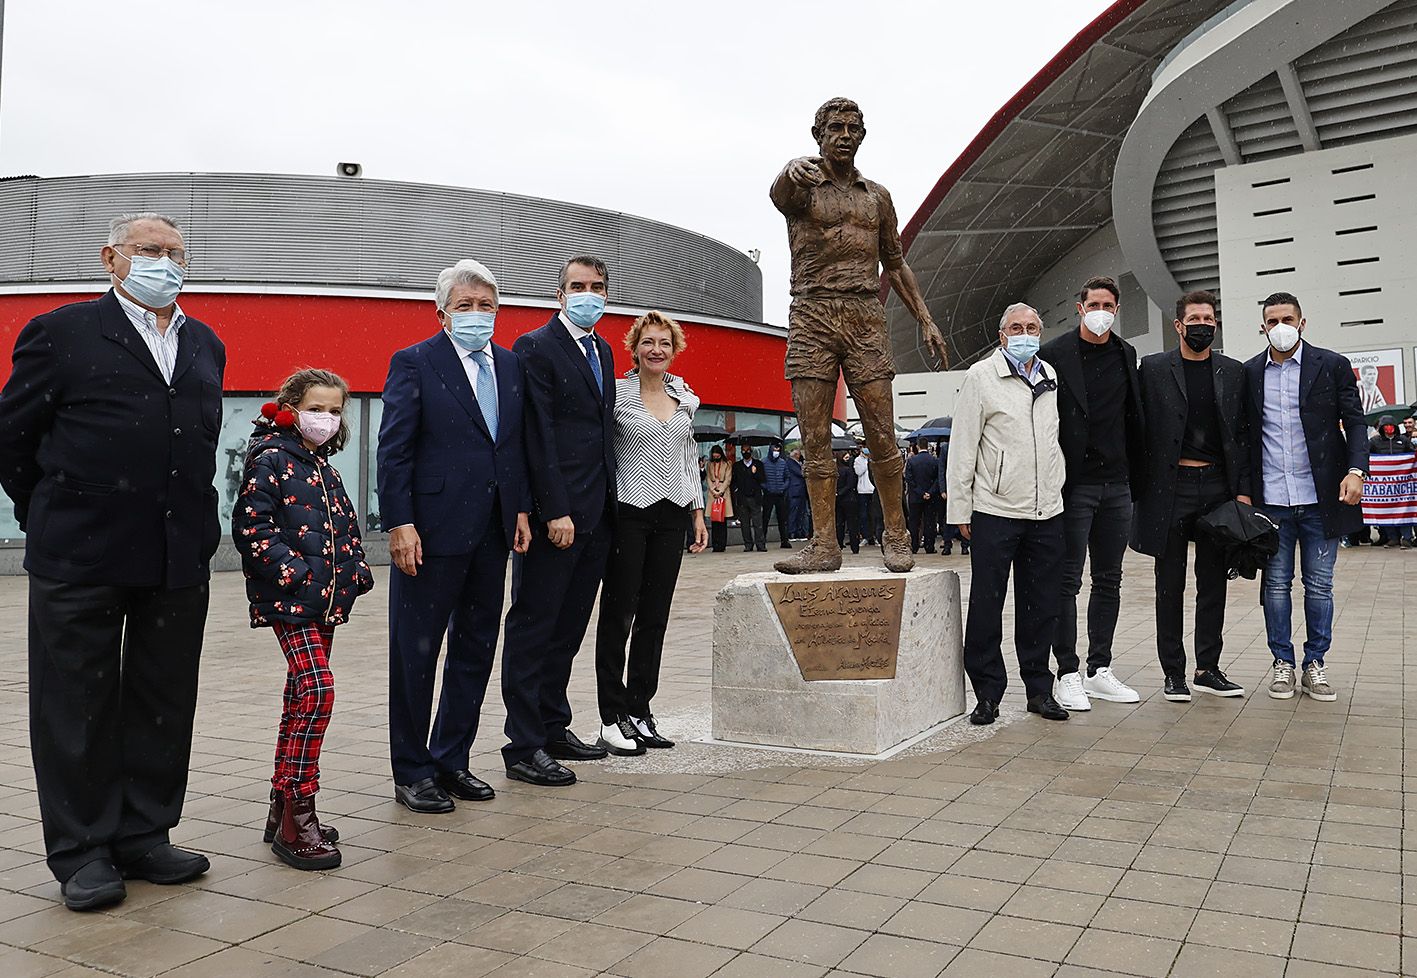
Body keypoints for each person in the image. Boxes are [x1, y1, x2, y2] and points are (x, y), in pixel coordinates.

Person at [0, 213, 223, 910]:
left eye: (176, 252)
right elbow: (14, 438)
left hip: (176, 555)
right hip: (81, 554)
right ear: (111, 258)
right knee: (77, 705)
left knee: (162, 698)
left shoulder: (205, 343)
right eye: (149, 250)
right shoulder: (62, 333)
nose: (165, 262)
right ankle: (83, 850)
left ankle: (143, 834)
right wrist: (53, 510)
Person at [769, 97, 948, 574]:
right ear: (819, 135)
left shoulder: (877, 197)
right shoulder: (803, 184)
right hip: (812, 312)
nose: (844, 135)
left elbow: (895, 260)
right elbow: (779, 194)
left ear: (862, 136)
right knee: (813, 439)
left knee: (883, 434)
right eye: (835, 128)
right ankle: (824, 544)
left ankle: (896, 533)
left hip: (866, 313)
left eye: (852, 127)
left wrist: (925, 318)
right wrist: (790, 169)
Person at [378, 259, 532, 810]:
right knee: (415, 656)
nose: (475, 315)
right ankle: (412, 770)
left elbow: (509, 446)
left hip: (492, 532)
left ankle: (451, 759)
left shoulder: (511, 366)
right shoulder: (416, 362)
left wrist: (518, 510)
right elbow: (394, 450)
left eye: (485, 306)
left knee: (475, 650)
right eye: (464, 306)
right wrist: (400, 523)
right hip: (430, 533)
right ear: (441, 312)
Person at [234, 370, 374, 870]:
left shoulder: (324, 468)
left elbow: (345, 528)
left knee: (300, 695)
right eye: (317, 407)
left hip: (325, 602)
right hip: (292, 600)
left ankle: (280, 807)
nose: (327, 419)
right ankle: (300, 810)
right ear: (291, 406)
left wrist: (356, 572)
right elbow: (253, 529)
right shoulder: (270, 459)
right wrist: (297, 577)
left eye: (336, 411)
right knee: (317, 691)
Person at [500, 256, 618, 786]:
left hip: (598, 513)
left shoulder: (604, 349)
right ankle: (523, 745)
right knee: (534, 627)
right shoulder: (536, 347)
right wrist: (554, 508)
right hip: (560, 515)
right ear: (559, 294)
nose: (587, 294)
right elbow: (537, 433)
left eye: (596, 287)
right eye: (577, 287)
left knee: (568, 629)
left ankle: (552, 725)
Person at [947, 303, 1068, 725]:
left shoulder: (1050, 376)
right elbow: (963, 446)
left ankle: (1039, 689)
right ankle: (987, 693)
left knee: (1041, 606)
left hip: (1046, 511)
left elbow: (1054, 442)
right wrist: (960, 507)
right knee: (987, 603)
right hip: (995, 509)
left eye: (1032, 327)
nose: (1024, 333)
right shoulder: (981, 377)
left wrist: (1056, 490)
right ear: (1002, 336)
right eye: (1016, 327)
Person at [1243, 292, 1367, 702]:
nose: (1280, 326)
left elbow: (1355, 421)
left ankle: (1315, 662)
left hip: (1321, 498)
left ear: (1302, 322)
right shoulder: (1250, 373)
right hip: (1272, 502)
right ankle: (1282, 662)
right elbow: (1243, 438)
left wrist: (1356, 471)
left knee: (1319, 586)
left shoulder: (1330, 365)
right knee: (1275, 585)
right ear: (1262, 327)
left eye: (1287, 318)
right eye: (1272, 320)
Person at [595, 311, 708, 756]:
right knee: (619, 614)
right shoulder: (616, 394)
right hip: (629, 512)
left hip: (673, 513)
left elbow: (688, 454)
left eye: (664, 342)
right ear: (635, 348)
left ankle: (641, 707)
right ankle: (611, 714)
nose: (656, 349)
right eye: (648, 342)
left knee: (655, 617)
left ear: (674, 350)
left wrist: (697, 512)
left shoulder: (684, 396)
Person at [1132, 291, 1252, 702]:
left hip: (1218, 489)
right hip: (1170, 489)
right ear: (1178, 326)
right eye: (1195, 318)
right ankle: (1173, 672)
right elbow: (1138, 429)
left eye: (1209, 318)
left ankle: (1208, 667)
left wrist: (1244, 493)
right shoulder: (1151, 369)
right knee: (1169, 584)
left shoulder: (1233, 372)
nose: (1203, 324)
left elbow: (1243, 435)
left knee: (1213, 583)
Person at [1039, 275, 1148, 712]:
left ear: (1116, 309)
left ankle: (1099, 668)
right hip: (1073, 484)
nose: (1101, 310)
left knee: (1109, 578)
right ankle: (1066, 671)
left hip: (1116, 485)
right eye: (1094, 303)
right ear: (1080, 307)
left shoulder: (1126, 353)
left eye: (1108, 304)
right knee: (1066, 580)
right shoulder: (1054, 355)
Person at [1368, 415, 1413, 548]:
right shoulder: (1374, 442)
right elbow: (1367, 455)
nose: (1389, 429)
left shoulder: (1403, 440)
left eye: (1391, 426)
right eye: (1386, 427)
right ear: (1382, 428)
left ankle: (1407, 537)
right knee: (1385, 510)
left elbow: (1412, 455)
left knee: (1405, 509)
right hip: (1384, 485)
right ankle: (1392, 537)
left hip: (1402, 484)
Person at [905, 440, 939, 554]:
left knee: (914, 522)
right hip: (931, 497)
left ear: (917, 446)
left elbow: (909, 479)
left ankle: (914, 546)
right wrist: (930, 492)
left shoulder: (911, 461)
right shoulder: (934, 460)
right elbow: (938, 479)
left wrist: (920, 492)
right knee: (930, 522)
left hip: (915, 497)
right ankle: (929, 546)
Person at [759, 441, 792, 548]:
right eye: (774, 450)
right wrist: (767, 488)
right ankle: (762, 541)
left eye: (778, 450)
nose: (776, 452)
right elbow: (760, 479)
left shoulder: (783, 462)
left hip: (780, 494)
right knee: (765, 518)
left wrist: (783, 487)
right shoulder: (763, 462)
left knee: (782, 519)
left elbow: (787, 477)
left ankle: (784, 541)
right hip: (768, 494)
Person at [733, 445, 766, 551]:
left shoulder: (758, 464)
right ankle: (748, 544)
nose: (745, 452)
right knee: (745, 524)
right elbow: (734, 481)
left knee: (758, 523)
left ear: (751, 452)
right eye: (743, 450)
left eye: (747, 450)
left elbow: (763, 479)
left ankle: (760, 544)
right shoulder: (737, 466)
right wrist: (736, 491)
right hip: (742, 498)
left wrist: (755, 473)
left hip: (755, 498)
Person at [706, 446, 733, 552]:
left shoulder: (727, 464)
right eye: (714, 454)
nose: (715, 456)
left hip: (723, 492)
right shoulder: (709, 464)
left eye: (717, 454)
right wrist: (713, 490)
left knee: (722, 520)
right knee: (714, 520)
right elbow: (708, 478)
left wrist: (720, 491)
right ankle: (715, 544)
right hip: (713, 492)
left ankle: (722, 544)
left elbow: (728, 479)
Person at [854, 447, 882, 545]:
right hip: (862, 490)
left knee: (874, 514)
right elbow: (858, 472)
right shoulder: (858, 460)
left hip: (873, 490)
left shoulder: (874, 460)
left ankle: (875, 535)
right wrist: (866, 462)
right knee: (863, 515)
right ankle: (866, 535)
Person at [836, 450, 861, 553]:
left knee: (840, 523)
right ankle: (854, 547)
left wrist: (837, 493)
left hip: (839, 499)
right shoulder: (848, 470)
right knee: (851, 524)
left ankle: (840, 545)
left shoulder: (837, 470)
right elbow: (850, 485)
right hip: (849, 499)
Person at [786, 449, 811, 539]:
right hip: (795, 491)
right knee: (793, 512)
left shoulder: (797, 463)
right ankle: (792, 532)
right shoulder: (790, 463)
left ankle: (799, 531)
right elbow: (801, 473)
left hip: (801, 491)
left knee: (801, 512)